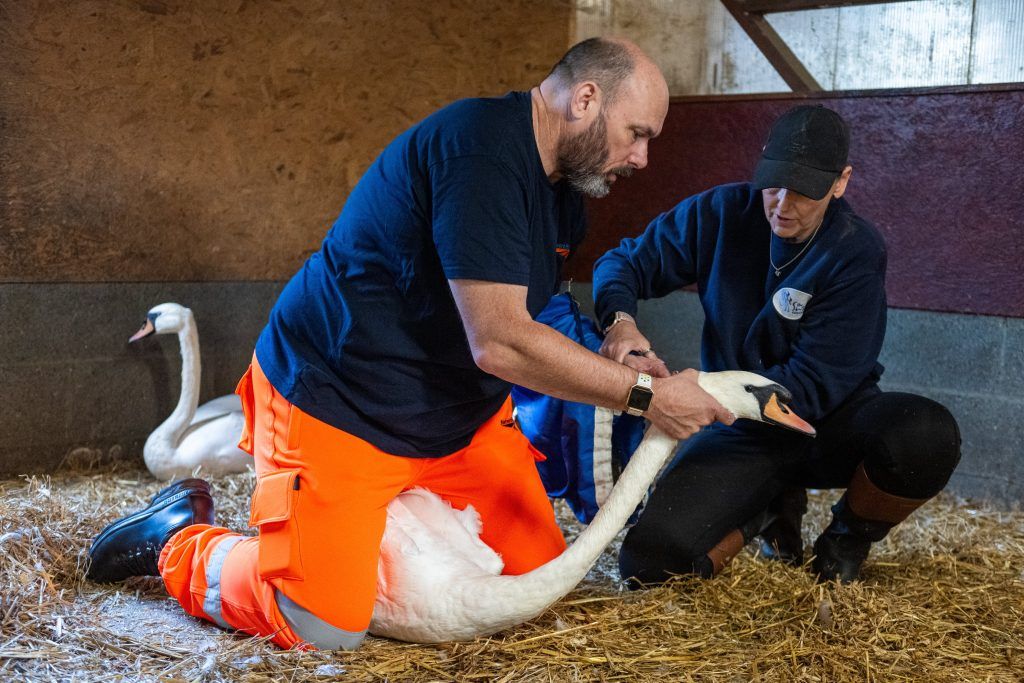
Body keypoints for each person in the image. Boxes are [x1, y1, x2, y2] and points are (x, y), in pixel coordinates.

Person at [87, 37, 736, 650]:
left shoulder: (566, 192)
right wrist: (645, 397)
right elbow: (502, 342)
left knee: (535, 579)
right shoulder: (480, 150)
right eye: (638, 135)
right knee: (322, 624)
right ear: (586, 99)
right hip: (341, 403)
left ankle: (370, 528)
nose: (642, 158)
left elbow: (537, 306)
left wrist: (615, 335)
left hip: (457, 418)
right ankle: (178, 540)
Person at [593, 105, 961, 584]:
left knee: (925, 433)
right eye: (773, 183)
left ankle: (845, 539)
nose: (783, 204)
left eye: (804, 190)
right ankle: (761, 511)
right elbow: (623, 263)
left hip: (825, 423)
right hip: (741, 429)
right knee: (648, 565)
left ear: (840, 181)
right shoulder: (721, 212)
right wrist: (619, 322)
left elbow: (813, 384)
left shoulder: (854, 250)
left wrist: (698, 389)